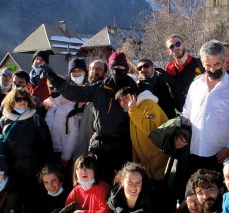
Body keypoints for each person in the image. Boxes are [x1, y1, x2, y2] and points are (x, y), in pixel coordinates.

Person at [41, 51, 136, 183]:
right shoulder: (99, 88)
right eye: (114, 68)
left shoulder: (135, 89)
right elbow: (75, 92)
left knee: (119, 183)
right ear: (110, 69)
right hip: (100, 145)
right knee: (97, 182)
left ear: (126, 69)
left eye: (121, 68)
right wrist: (55, 80)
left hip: (123, 146)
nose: (117, 71)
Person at [178, 40, 229, 176]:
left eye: (217, 65)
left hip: (222, 157)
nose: (212, 70)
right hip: (194, 153)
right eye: (208, 65)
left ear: (223, 61)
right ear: (202, 64)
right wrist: (180, 134)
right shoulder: (196, 85)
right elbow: (186, 113)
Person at [0, 87, 53, 213]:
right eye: (18, 99)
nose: (22, 102)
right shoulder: (4, 121)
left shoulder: (36, 119)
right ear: (11, 101)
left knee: (32, 206)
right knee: (13, 206)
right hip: (11, 173)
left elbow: (47, 145)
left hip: (33, 172)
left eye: (25, 99)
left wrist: (45, 168)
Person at [116, 86, 169, 181]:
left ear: (134, 96)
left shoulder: (148, 105)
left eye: (126, 98)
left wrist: (133, 110)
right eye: (120, 101)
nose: (123, 102)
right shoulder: (132, 113)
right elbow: (135, 141)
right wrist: (136, 163)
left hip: (162, 164)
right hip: (147, 169)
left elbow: (152, 130)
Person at [43, 58, 86, 168]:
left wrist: (65, 156)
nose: (54, 90)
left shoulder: (89, 90)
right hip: (50, 151)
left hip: (73, 150)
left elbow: (73, 132)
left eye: (79, 71)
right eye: (73, 71)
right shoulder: (49, 107)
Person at [164, 35, 205, 105]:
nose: (176, 48)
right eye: (172, 47)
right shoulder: (169, 71)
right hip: (184, 110)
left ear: (184, 45)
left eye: (178, 44)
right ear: (169, 52)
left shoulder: (200, 63)